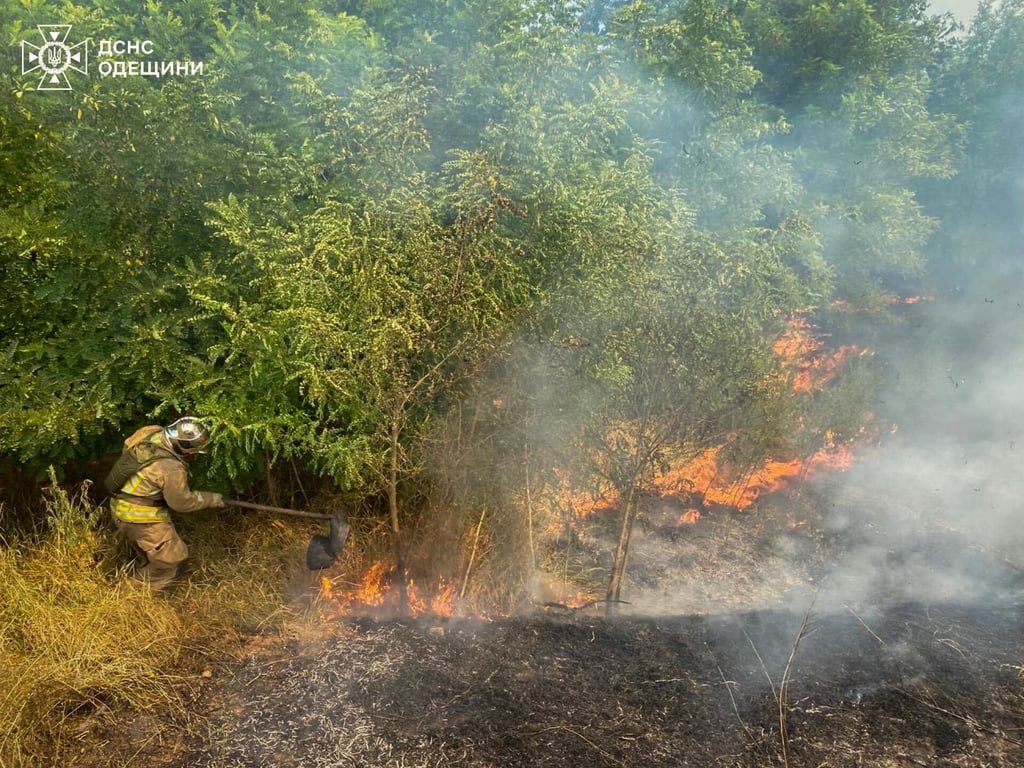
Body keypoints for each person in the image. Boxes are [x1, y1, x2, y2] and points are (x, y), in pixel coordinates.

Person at [108, 417, 225, 591]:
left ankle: (147, 563)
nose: (194, 454)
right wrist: (211, 499)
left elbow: (128, 447)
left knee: (155, 552)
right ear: (182, 447)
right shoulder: (171, 468)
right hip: (138, 518)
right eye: (193, 450)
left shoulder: (149, 432)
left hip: (118, 504)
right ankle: (127, 595)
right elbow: (181, 502)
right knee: (172, 559)